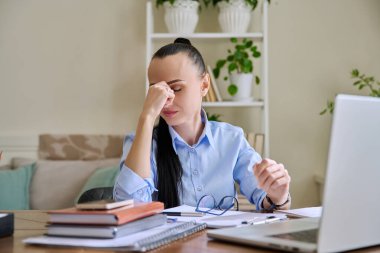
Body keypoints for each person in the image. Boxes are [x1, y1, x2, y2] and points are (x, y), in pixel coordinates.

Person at [114, 38, 291, 211]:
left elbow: (268, 201)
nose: (166, 101)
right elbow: (129, 207)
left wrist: (278, 196)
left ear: (204, 84)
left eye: (176, 89)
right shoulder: (142, 143)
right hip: (168, 241)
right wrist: (147, 116)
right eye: (157, 91)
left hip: (221, 240)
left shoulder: (231, 139)